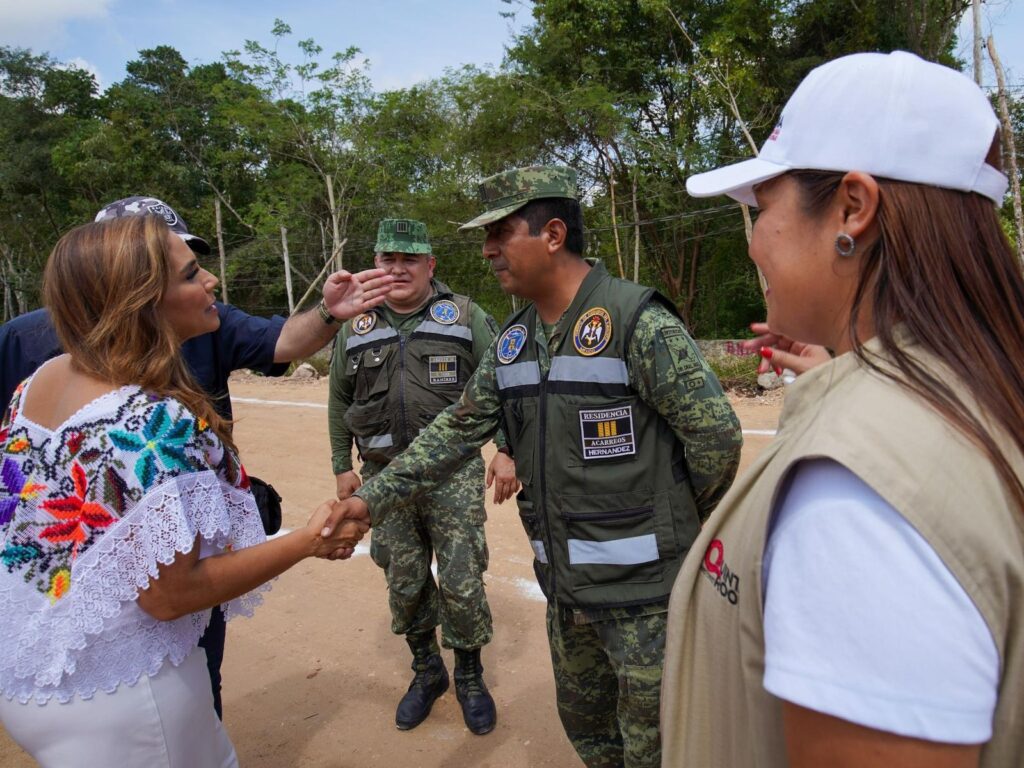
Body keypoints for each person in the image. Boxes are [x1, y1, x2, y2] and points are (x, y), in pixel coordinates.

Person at [661, 51, 1024, 768]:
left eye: (760, 210)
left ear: (852, 208)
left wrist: (859, 415)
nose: (755, 241)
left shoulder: (855, 495)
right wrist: (849, 383)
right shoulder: (980, 383)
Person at [322, 167, 743, 767]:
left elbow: (716, 440)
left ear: (551, 233)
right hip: (566, 596)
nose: (488, 249)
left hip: (645, 600)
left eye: (500, 231)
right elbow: (455, 430)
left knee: (659, 748)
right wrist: (369, 499)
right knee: (592, 737)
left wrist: (674, 521)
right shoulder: (513, 342)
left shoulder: (635, 321)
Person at [0, 195, 393, 719]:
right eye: (188, 271)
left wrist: (326, 312)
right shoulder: (148, 420)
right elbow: (167, 596)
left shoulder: (40, 380)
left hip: (52, 656)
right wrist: (307, 540)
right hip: (129, 675)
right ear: (133, 288)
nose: (211, 282)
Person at [328, 217, 516, 735]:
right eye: (388, 259)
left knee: (460, 579)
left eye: (409, 259)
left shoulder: (466, 317)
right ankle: (427, 670)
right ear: (376, 264)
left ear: (430, 264)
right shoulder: (356, 325)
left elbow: (508, 381)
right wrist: (343, 464)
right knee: (404, 581)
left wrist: (506, 449)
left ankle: (470, 676)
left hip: (451, 474)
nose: (397, 269)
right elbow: (339, 397)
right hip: (383, 476)